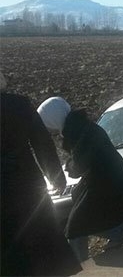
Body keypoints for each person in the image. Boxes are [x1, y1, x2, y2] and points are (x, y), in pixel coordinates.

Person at [36, 96, 123, 263]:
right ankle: (116, 233)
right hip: (104, 180)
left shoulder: (78, 131)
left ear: (53, 118)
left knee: (75, 226)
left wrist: (69, 166)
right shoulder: (79, 127)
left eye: (48, 124)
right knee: (80, 215)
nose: (49, 129)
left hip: (105, 182)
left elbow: (79, 165)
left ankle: (82, 265)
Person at [0, 73, 83, 276]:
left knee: (10, 255)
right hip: (28, 186)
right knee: (44, 245)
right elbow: (42, 143)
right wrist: (56, 176)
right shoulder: (20, 105)